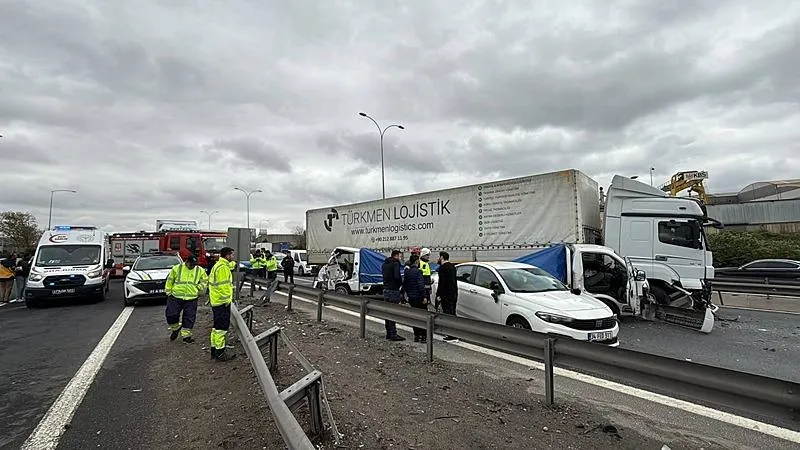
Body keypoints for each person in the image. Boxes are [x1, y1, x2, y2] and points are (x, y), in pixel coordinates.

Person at [164, 255, 208, 344]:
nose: (192, 266)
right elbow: (170, 280)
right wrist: (168, 292)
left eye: (194, 264)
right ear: (186, 262)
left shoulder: (200, 270)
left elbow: (205, 280)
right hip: (176, 296)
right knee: (171, 315)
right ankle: (175, 328)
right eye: (191, 264)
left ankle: (186, 336)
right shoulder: (177, 268)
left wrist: (199, 287)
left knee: (189, 317)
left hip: (191, 297)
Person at [208, 247, 236, 361]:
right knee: (221, 328)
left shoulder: (218, 265)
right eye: (232, 255)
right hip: (222, 303)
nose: (233, 257)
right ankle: (220, 353)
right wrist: (227, 300)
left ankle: (214, 350)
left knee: (216, 328)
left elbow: (231, 265)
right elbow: (223, 287)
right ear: (227, 255)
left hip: (216, 301)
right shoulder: (223, 268)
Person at [402, 255, 428, 343]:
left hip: (411, 298)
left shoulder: (407, 272)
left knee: (414, 316)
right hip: (419, 298)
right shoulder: (418, 272)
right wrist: (424, 297)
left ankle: (417, 336)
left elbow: (405, 285)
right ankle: (424, 336)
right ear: (417, 261)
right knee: (423, 316)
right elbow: (421, 286)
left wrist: (405, 296)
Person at [381, 249, 405, 341]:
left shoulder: (384, 264)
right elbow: (397, 276)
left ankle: (388, 333)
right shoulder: (395, 263)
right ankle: (393, 334)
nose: (400, 258)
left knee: (387, 312)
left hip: (386, 289)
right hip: (393, 290)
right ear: (396, 256)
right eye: (400, 256)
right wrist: (399, 285)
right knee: (393, 313)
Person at [436, 251, 459, 342]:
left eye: (439, 257)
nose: (437, 259)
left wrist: (439, 295)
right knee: (452, 313)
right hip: (453, 294)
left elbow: (442, 283)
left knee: (448, 314)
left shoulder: (443, 268)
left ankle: (451, 335)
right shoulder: (452, 267)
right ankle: (454, 334)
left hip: (446, 295)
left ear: (441, 257)